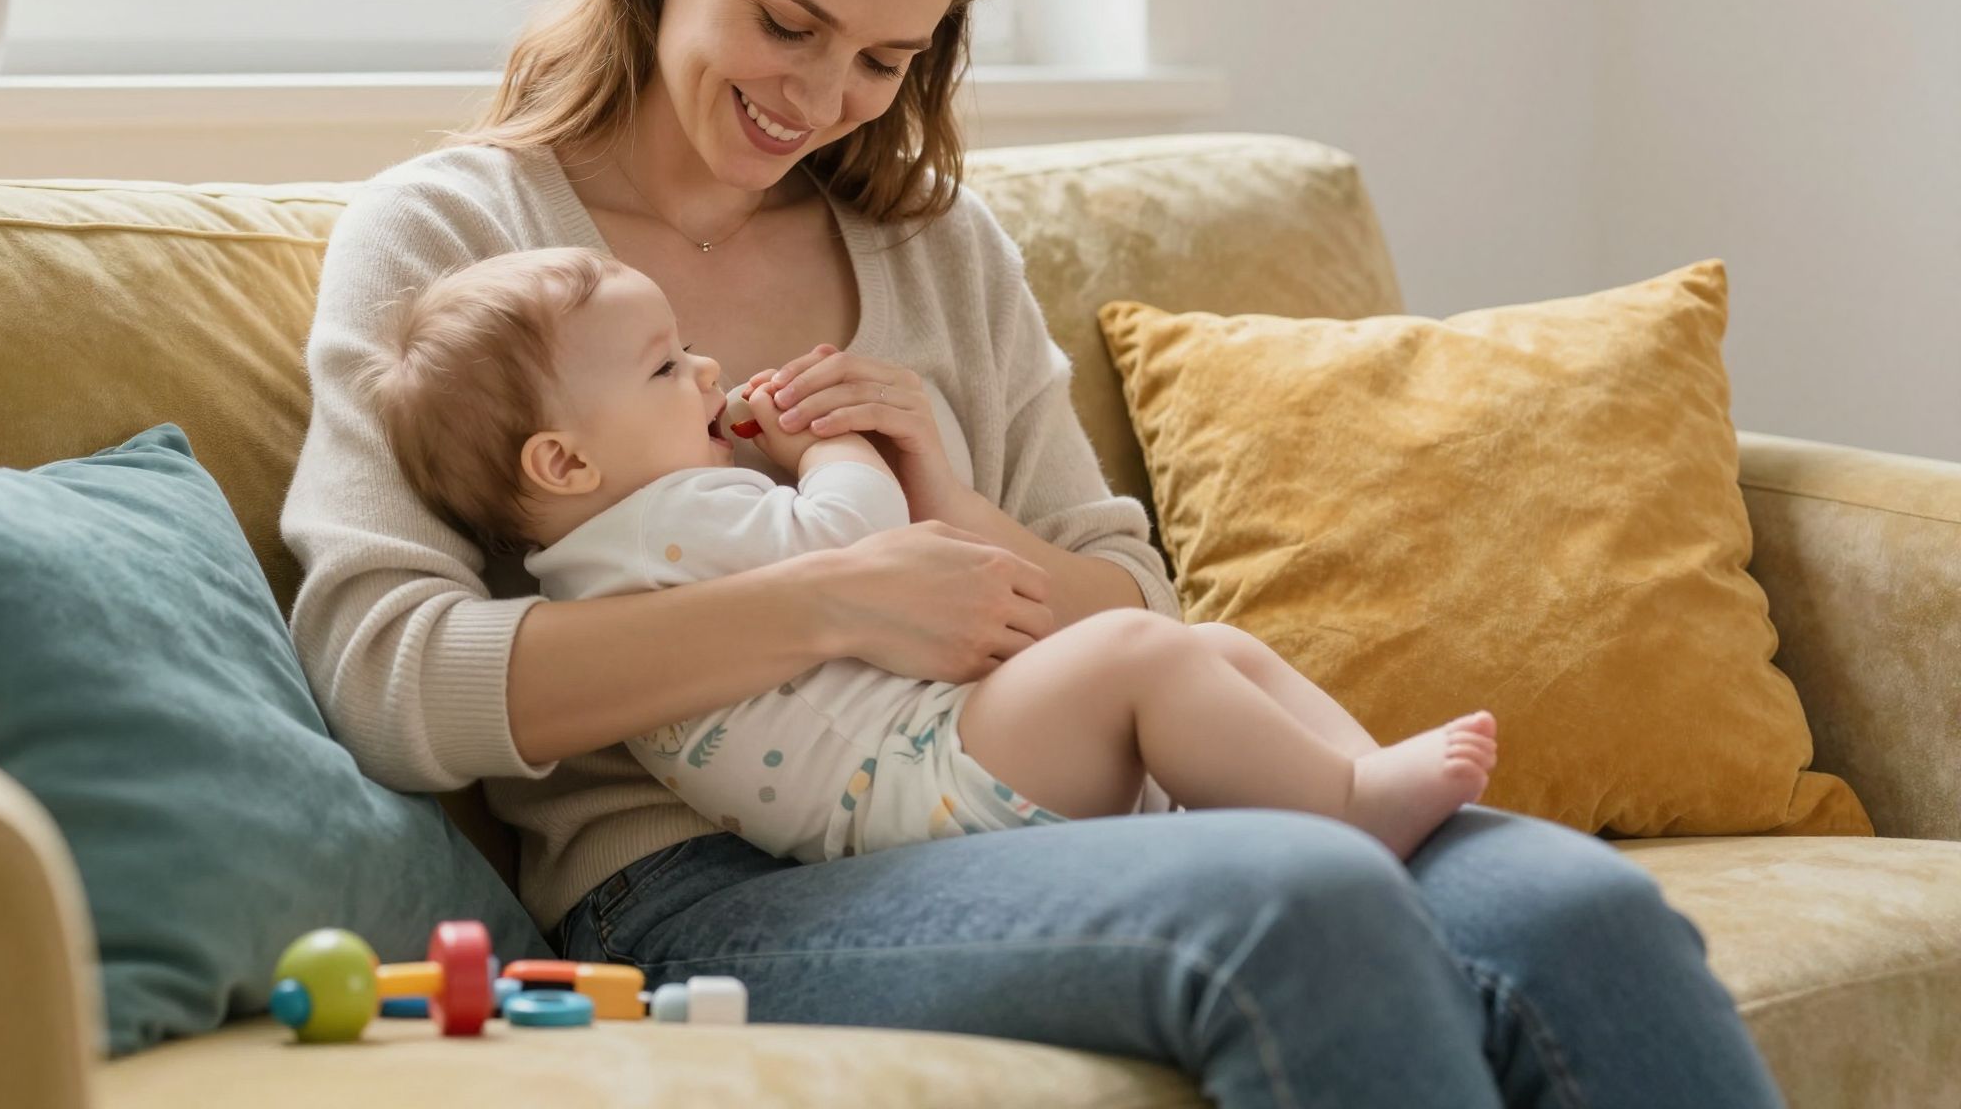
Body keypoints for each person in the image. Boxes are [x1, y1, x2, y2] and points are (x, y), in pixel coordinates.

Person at [281, 0, 1789, 1106]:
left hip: (1036, 795)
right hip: (699, 892)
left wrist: (952, 505)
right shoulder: (455, 240)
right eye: (789, 22)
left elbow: (1128, 603)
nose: (822, 98)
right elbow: (387, 676)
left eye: (887, 60)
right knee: (1302, 902)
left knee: (1583, 912)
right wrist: (832, 600)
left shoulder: (936, 251)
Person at [349, 241, 1501, 868]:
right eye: (664, 369)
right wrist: (833, 448)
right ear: (561, 465)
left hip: (915, 779)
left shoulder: (612, 548)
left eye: (690, 348)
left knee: (1193, 642)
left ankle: (1358, 788)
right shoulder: (667, 523)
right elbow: (849, 539)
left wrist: (937, 488)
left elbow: (1082, 572)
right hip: (916, 790)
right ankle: (1347, 806)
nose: (706, 373)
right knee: (1148, 657)